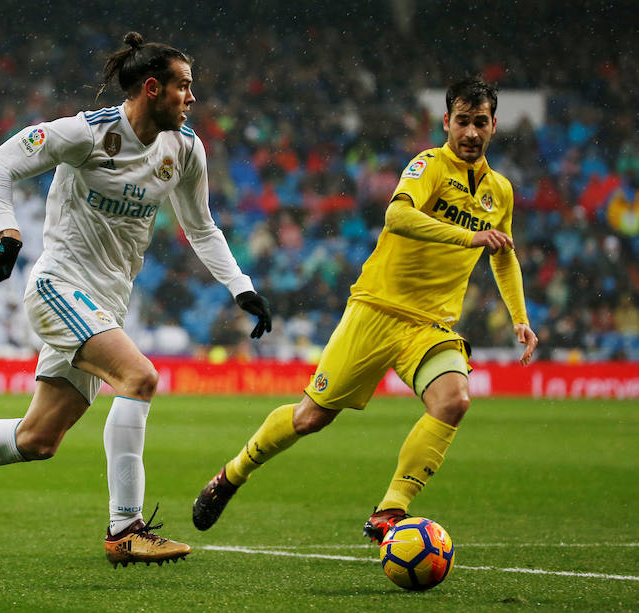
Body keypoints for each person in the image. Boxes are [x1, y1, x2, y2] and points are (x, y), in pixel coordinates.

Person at [0, 32, 272, 568]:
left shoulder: (185, 149)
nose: (192, 98)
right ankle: (125, 529)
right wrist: (8, 237)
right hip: (59, 287)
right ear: (152, 88)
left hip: (106, 303)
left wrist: (241, 286)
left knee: (38, 439)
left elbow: (202, 229)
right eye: (184, 87)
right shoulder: (85, 133)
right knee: (141, 378)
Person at [192, 77, 539, 543]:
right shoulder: (429, 165)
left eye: (480, 123)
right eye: (462, 122)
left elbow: (503, 253)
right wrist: (467, 236)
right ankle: (232, 474)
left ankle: (390, 511)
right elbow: (396, 216)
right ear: (446, 122)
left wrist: (519, 316)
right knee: (310, 418)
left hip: (431, 324)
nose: (471, 133)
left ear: (494, 125)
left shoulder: (501, 191)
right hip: (377, 309)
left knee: (453, 400)